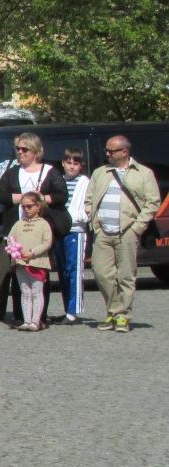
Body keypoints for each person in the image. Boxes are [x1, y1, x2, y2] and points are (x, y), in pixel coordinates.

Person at [85, 134, 161, 333]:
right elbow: (90, 197)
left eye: (112, 150)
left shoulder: (143, 173)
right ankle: (114, 309)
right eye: (107, 150)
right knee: (101, 273)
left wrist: (137, 228)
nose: (108, 154)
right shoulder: (100, 172)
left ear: (125, 151)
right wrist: (95, 222)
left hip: (128, 231)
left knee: (126, 276)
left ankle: (121, 317)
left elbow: (153, 202)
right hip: (103, 232)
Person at [0, 132, 67, 327]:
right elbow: (3, 196)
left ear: (35, 151)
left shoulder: (50, 171)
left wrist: (39, 199)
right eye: (18, 149)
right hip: (18, 228)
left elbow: (61, 196)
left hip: (40, 229)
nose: (20, 152)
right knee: (19, 273)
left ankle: (39, 317)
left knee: (39, 273)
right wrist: (25, 198)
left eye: (24, 149)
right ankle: (21, 315)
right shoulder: (12, 172)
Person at [6, 193, 53, 332]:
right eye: (23, 206)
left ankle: (35, 321)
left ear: (38, 206)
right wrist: (14, 249)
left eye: (29, 206)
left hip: (37, 263)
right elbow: (10, 238)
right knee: (25, 292)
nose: (26, 209)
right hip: (21, 263)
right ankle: (26, 320)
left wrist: (32, 252)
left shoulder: (44, 224)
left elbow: (47, 242)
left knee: (37, 292)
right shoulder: (18, 224)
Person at [58, 148, 90, 322]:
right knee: (62, 270)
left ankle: (73, 310)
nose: (71, 166)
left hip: (75, 230)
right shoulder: (59, 181)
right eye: (68, 162)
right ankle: (66, 308)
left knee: (74, 270)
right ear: (63, 163)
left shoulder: (84, 182)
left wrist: (75, 218)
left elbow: (87, 207)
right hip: (59, 231)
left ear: (81, 166)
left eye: (75, 163)